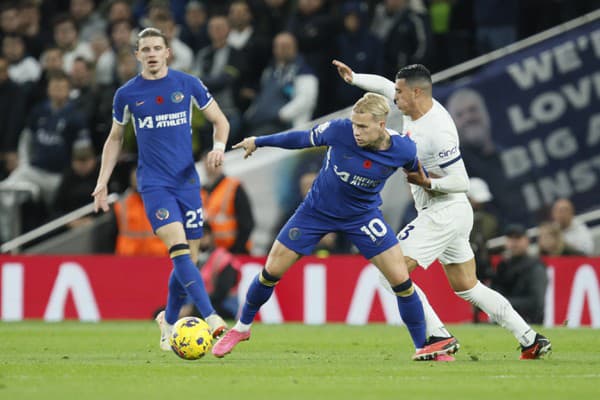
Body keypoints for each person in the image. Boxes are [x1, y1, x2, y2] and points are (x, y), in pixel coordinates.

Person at [332, 60, 551, 359]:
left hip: (445, 209)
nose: (394, 97)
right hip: (446, 213)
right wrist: (355, 77)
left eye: (399, 92)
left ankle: (438, 336)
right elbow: (384, 85)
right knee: (467, 287)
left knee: (389, 271)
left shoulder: (439, 130)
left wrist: (427, 182)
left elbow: (462, 181)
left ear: (417, 92)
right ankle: (530, 338)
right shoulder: (412, 108)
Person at [213, 92, 454, 361]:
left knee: (402, 281)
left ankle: (423, 347)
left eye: (363, 126)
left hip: (362, 216)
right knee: (270, 271)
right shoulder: (340, 131)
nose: (356, 131)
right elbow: (301, 139)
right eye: (354, 124)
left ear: (382, 125)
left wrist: (431, 187)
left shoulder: (404, 149)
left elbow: (414, 170)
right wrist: (259, 141)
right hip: (316, 211)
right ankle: (241, 328)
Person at [92, 27, 230, 351]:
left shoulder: (188, 85)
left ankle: (168, 322)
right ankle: (211, 317)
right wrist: (101, 182)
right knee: (179, 250)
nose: (152, 54)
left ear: (168, 52)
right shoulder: (127, 94)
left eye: (157, 48)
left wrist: (219, 147)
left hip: (187, 183)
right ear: (137, 55)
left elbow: (220, 121)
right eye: (146, 49)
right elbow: (114, 139)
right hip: (154, 185)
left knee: (188, 263)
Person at [179, 222, 242, 319]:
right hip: (194, 306)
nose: (202, 238)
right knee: (163, 312)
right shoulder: (190, 258)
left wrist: (192, 308)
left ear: (211, 236)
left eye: (205, 234)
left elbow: (221, 293)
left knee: (195, 314)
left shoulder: (223, 259)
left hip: (222, 307)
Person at [200, 150, 255, 254]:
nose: (211, 166)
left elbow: (247, 223)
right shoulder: (201, 191)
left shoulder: (233, 186)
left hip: (235, 251)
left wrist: (235, 251)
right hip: (210, 252)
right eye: (208, 162)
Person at [492, 224, 548, 324]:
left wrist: (502, 304)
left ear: (527, 241)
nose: (514, 243)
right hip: (504, 324)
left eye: (518, 238)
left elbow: (536, 303)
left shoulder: (535, 267)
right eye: (510, 238)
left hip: (528, 324)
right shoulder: (503, 266)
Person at [113, 166, 168, 257]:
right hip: (129, 259)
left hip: (159, 258)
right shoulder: (121, 204)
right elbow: (112, 234)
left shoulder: (164, 202)